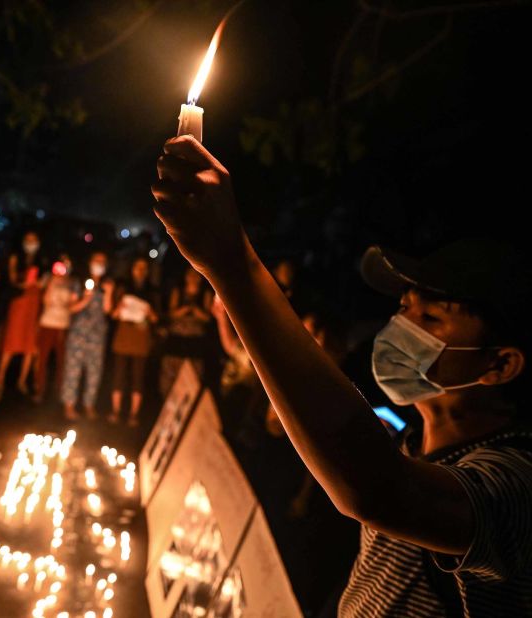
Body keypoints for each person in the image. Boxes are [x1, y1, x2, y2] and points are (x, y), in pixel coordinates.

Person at [153, 135, 532, 615]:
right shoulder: (415, 443)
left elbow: (380, 489)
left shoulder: (516, 484)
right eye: (402, 307)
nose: (401, 328)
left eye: (432, 319)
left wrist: (233, 265)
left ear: (500, 365)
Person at [61, 251, 114, 420]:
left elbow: (108, 311)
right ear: (90, 262)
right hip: (79, 334)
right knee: (73, 369)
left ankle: (89, 405)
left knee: (94, 371)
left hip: (97, 336)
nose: (99, 264)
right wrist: (85, 299)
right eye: (96, 260)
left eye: (102, 261)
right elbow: (71, 308)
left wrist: (109, 294)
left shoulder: (107, 285)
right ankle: (69, 405)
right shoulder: (80, 284)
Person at [109, 257, 159, 426]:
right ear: (132, 268)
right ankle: (115, 411)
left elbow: (155, 318)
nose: (140, 270)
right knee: (119, 373)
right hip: (124, 333)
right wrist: (120, 308)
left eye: (144, 267)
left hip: (141, 335)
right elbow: (113, 314)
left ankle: (133, 414)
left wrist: (150, 312)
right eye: (137, 266)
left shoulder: (152, 292)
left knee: (138, 375)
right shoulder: (123, 288)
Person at [0, 231, 43, 396]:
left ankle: (22, 380)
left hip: (33, 302)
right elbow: (11, 278)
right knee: (11, 339)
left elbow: (44, 282)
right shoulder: (15, 258)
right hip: (19, 300)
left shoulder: (42, 261)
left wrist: (38, 282)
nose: (31, 243)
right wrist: (22, 282)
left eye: (34, 239)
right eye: (27, 239)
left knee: (29, 343)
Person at [159, 266, 213, 395]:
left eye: (196, 275)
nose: (193, 278)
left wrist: (195, 310)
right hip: (177, 338)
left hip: (195, 340)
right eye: (190, 275)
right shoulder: (178, 291)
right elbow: (172, 314)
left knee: (193, 372)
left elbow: (207, 317)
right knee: (171, 371)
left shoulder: (205, 294)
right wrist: (186, 309)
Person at [34, 254, 77, 404]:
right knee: (42, 359)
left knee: (61, 360)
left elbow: (72, 304)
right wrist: (52, 282)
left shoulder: (72, 283)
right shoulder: (49, 279)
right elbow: (45, 301)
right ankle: (40, 390)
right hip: (47, 323)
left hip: (62, 326)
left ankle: (59, 391)